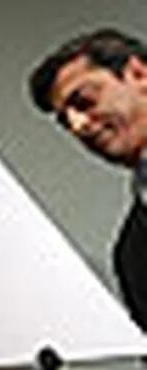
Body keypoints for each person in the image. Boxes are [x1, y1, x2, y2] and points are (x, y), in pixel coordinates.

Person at [29, 29, 147, 332]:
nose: (78, 125)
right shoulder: (130, 254)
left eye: (84, 101)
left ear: (139, 74)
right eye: (65, 121)